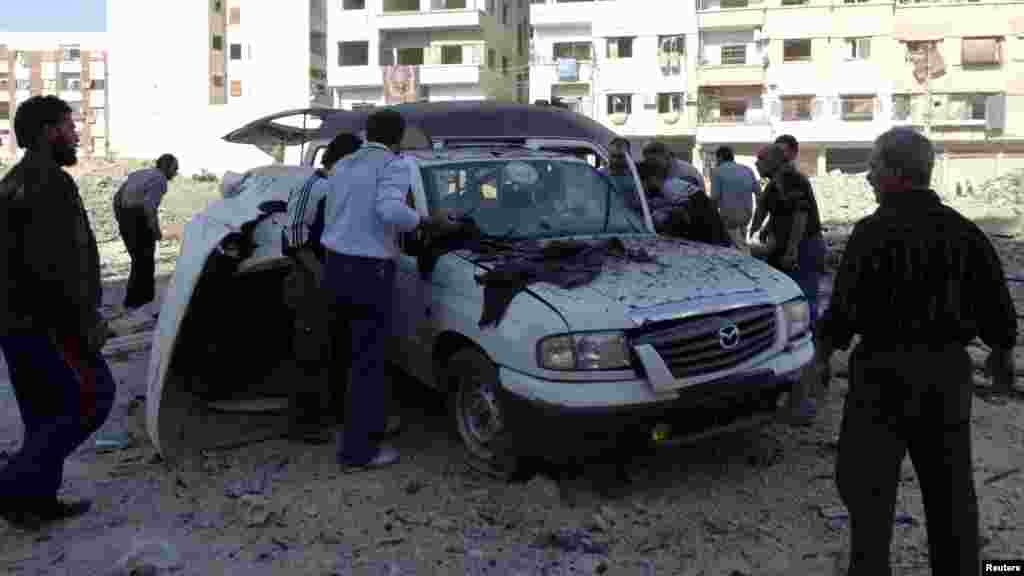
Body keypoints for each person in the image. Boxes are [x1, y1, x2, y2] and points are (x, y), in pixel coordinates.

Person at [814, 128, 1017, 576]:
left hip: (881, 380)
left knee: (868, 498)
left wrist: (821, 356)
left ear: (897, 173)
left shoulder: (871, 233)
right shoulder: (965, 234)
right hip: (944, 378)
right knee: (951, 498)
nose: (867, 176)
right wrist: (1000, 355)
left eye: (873, 167)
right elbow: (1000, 314)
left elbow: (843, 310)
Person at [0, 95, 116, 530]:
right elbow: (58, 264)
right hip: (47, 323)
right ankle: (12, 487)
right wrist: (86, 320)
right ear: (50, 132)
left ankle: (35, 505)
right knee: (93, 397)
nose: (76, 135)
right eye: (69, 127)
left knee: (43, 415)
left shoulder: (15, 180)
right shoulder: (49, 182)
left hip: (17, 323)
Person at [321, 109, 458, 471]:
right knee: (369, 362)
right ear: (399, 138)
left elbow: (339, 212)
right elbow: (389, 210)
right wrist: (428, 221)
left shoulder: (345, 165)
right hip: (368, 271)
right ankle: (359, 452)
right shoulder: (394, 165)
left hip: (334, 266)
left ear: (368, 133)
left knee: (346, 355)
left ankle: (351, 429)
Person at [282, 133, 363, 444]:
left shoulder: (338, 188)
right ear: (342, 161)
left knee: (336, 351)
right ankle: (303, 423)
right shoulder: (313, 187)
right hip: (309, 281)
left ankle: (332, 415)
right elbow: (296, 239)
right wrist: (322, 275)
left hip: (335, 280)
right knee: (310, 353)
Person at [751, 143, 826, 424]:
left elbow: (799, 216)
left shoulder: (792, 179)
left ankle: (808, 392)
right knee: (789, 312)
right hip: (786, 249)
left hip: (803, 248)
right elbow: (770, 210)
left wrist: (792, 248)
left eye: (760, 159)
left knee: (802, 315)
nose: (757, 164)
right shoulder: (774, 183)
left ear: (773, 160)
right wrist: (759, 227)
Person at [112, 153, 179, 319]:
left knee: (139, 261)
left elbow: (118, 197)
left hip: (126, 216)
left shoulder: (141, 174)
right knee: (145, 262)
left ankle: (133, 303)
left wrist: (122, 219)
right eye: (175, 168)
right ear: (167, 167)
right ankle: (141, 305)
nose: (176, 172)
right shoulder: (160, 180)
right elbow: (149, 208)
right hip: (137, 219)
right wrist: (155, 230)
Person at [709, 146, 758, 254]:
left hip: (729, 218)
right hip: (746, 216)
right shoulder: (747, 169)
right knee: (741, 243)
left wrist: (711, 218)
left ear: (720, 157)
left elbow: (714, 198)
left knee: (736, 249)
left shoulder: (718, 171)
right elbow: (758, 193)